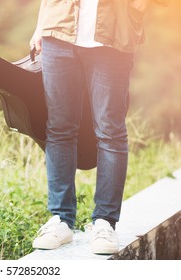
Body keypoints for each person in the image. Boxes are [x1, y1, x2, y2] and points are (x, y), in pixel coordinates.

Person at [30, 0, 170, 254]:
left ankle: (105, 221)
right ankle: (61, 219)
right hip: (58, 31)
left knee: (110, 132)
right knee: (59, 128)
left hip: (113, 37)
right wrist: (40, 25)